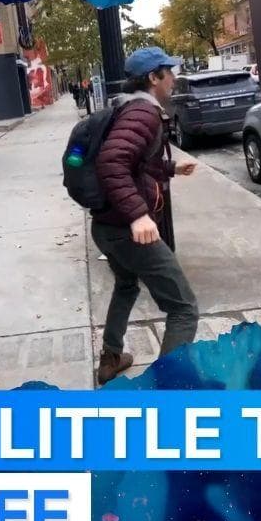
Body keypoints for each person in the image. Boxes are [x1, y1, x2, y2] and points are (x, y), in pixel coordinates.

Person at [91, 47, 200, 385]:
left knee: (126, 285)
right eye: (169, 72)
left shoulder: (126, 108)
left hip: (106, 226)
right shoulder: (143, 113)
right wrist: (139, 215)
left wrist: (170, 167)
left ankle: (111, 358)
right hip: (127, 230)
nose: (174, 78)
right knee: (183, 308)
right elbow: (112, 161)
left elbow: (135, 163)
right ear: (154, 77)